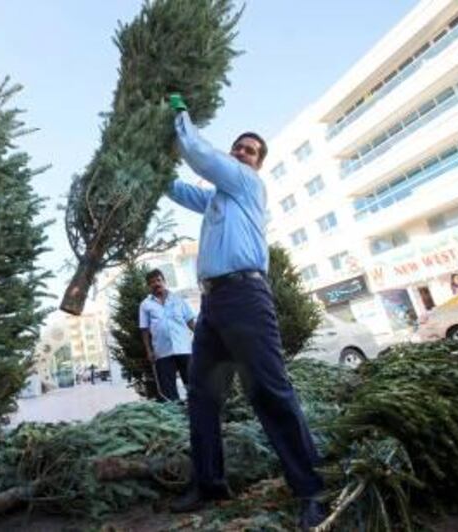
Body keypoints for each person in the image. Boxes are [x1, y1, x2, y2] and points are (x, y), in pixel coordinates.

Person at [164, 93, 326, 530]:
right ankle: (210, 483)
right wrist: (153, 167)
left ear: (256, 163)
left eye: (249, 150)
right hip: (214, 303)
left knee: (269, 391)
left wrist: (180, 118)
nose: (240, 151)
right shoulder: (220, 200)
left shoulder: (248, 184)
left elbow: (200, 155)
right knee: (202, 394)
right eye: (237, 146)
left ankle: (311, 489)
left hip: (247, 300)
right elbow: (181, 189)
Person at [139, 268, 195, 402]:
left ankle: (196, 411)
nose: (156, 284)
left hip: (184, 348)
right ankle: (175, 416)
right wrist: (149, 351)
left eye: (158, 280)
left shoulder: (178, 300)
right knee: (168, 390)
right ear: (148, 286)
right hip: (162, 352)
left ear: (164, 281)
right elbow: (144, 330)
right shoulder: (145, 305)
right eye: (152, 282)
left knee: (193, 384)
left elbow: (190, 322)